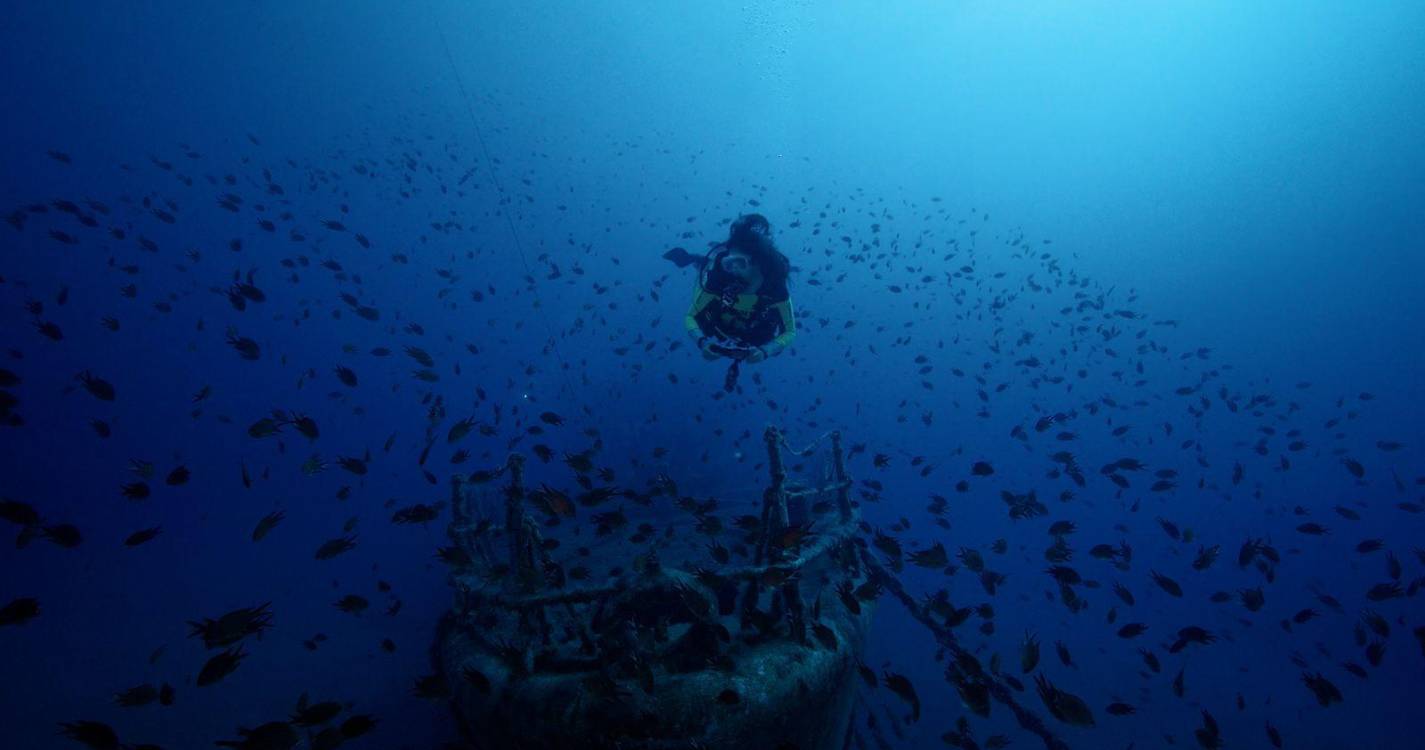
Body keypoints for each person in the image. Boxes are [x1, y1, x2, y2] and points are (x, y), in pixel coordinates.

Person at [680, 213, 797, 366]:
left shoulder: (774, 289)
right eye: (728, 263)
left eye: (740, 263)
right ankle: (696, 259)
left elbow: (790, 331)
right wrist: (702, 343)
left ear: (759, 264)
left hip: (751, 330)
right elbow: (690, 316)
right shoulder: (719, 279)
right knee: (710, 266)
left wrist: (765, 351)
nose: (733, 270)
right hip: (718, 324)